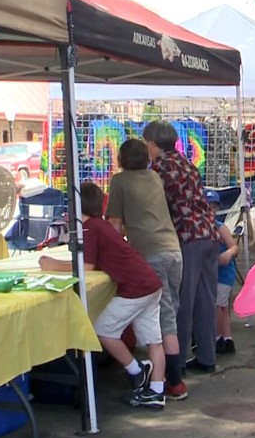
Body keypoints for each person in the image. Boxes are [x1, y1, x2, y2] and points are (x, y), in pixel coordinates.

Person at [40, 182, 167, 409]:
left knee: (103, 330)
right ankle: (157, 390)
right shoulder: (102, 225)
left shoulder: (89, 229)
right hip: (149, 283)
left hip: (135, 288)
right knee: (153, 340)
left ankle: (136, 371)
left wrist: (52, 264)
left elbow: (86, 266)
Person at [105, 138, 187, 400]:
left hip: (150, 253)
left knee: (164, 321)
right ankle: (171, 378)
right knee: (170, 311)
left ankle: (173, 383)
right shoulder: (153, 177)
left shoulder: (119, 181)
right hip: (174, 250)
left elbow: (115, 223)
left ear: (121, 159)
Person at [142, 120, 219, 375]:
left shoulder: (158, 169)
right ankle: (207, 356)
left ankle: (178, 359)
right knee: (206, 298)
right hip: (208, 232)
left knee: (181, 301)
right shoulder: (188, 163)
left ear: (152, 143)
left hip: (186, 237)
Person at [205, 190, 239, 356]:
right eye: (207, 207)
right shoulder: (200, 229)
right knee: (219, 307)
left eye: (213, 208)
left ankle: (221, 338)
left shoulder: (220, 227)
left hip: (224, 272)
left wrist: (228, 253)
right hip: (209, 273)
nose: (210, 211)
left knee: (220, 306)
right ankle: (225, 338)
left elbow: (234, 246)